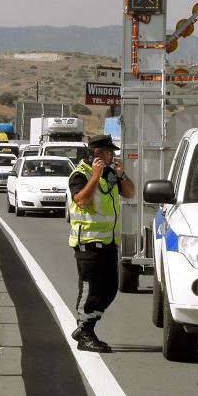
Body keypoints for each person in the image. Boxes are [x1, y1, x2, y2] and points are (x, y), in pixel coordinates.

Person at [67, 134, 135, 353]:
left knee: (110, 289)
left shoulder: (109, 173)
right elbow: (81, 200)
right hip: (88, 242)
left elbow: (130, 193)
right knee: (90, 290)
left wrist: (121, 175)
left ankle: (85, 327)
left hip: (108, 242)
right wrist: (94, 177)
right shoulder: (80, 175)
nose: (112, 155)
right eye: (108, 152)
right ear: (97, 153)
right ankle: (85, 333)